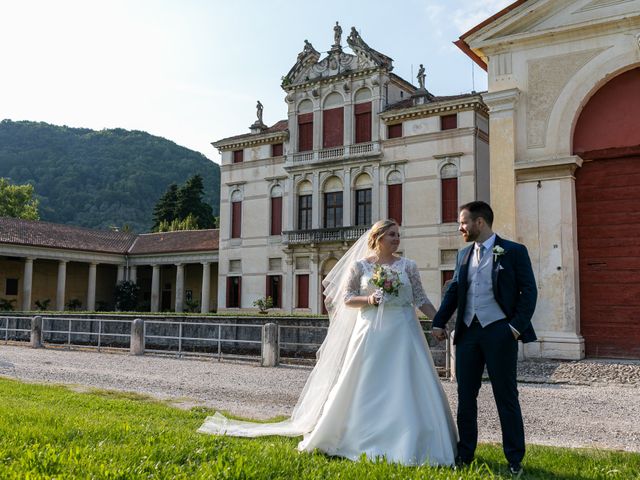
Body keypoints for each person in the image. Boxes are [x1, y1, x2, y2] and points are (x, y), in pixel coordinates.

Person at [199, 219, 457, 466]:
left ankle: (412, 439)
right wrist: (369, 300)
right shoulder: (360, 266)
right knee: (365, 382)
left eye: (398, 235)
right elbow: (345, 299)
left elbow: (421, 299)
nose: (397, 239)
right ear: (377, 238)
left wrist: (437, 322)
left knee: (408, 381)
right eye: (391, 234)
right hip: (370, 333)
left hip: (404, 331)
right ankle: (356, 435)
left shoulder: (408, 266)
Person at [432, 201, 537, 477]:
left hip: (500, 332)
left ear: (480, 223)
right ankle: (465, 454)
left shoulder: (513, 251)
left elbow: (529, 292)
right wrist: (439, 321)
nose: (460, 228)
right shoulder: (463, 255)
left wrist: (514, 328)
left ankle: (514, 458)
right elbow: (454, 291)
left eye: (463, 222)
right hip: (468, 334)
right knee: (466, 396)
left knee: (506, 396)